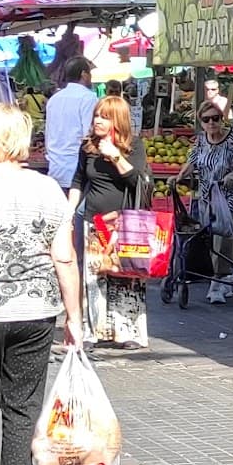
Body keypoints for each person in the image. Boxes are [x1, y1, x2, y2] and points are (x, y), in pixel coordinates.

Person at [0, 103, 83, 465]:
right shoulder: (48, 190)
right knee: (22, 403)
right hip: (35, 311)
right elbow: (64, 257)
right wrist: (73, 316)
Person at [68, 96, 150, 349]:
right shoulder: (88, 148)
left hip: (125, 224)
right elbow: (78, 181)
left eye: (104, 117)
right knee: (95, 275)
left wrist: (115, 156)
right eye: (96, 116)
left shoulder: (134, 147)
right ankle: (95, 331)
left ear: (117, 120)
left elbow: (142, 183)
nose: (97, 121)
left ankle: (128, 332)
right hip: (96, 221)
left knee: (125, 275)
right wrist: (68, 213)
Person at [178, 101, 233, 304]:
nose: (211, 123)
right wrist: (179, 176)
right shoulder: (201, 140)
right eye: (206, 119)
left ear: (221, 119)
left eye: (215, 118)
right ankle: (223, 277)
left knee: (223, 236)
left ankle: (218, 281)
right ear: (201, 122)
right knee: (209, 235)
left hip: (229, 195)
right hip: (207, 194)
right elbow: (192, 161)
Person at [43, 58, 97, 190]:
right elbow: (89, 135)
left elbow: (49, 133)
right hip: (76, 172)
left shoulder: (54, 99)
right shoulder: (88, 97)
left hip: (55, 169)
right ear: (84, 74)